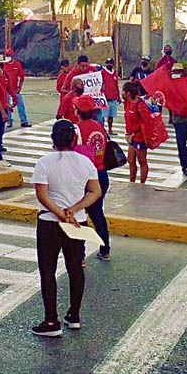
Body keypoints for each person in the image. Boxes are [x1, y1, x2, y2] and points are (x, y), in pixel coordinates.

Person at [30, 119, 102, 337]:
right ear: (74, 138)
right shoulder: (85, 162)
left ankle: (51, 320)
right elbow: (95, 191)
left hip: (50, 223)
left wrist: (61, 213)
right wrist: (74, 210)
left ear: (53, 139)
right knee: (75, 267)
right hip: (77, 223)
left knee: (48, 271)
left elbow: (42, 195)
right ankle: (74, 315)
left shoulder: (44, 162)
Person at [73, 96, 112, 261]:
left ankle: (79, 255)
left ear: (78, 111)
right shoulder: (99, 127)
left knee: (80, 215)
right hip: (101, 174)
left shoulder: (76, 129)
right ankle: (105, 250)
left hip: (85, 177)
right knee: (98, 214)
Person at [123, 82, 150, 184]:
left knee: (142, 161)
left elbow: (147, 121)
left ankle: (142, 183)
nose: (123, 94)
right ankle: (132, 181)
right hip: (131, 137)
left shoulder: (140, 104)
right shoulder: (128, 102)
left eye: (124, 92)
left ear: (128, 93)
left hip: (139, 137)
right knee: (131, 160)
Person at [3, 49, 31, 128]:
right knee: (7, 104)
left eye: (9, 56)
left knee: (20, 104)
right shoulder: (3, 65)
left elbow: (22, 77)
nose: (7, 57)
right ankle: (9, 121)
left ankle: (24, 121)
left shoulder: (17, 64)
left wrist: (19, 87)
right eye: (6, 55)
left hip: (15, 88)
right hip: (6, 89)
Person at [101, 57, 121, 135]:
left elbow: (116, 86)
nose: (109, 65)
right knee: (102, 116)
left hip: (113, 98)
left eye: (111, 63)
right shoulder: (102, 72)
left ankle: (110, 129)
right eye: (108, 63)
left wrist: (118, 97)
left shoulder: (114, 74)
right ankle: (102, 129)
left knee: (111, 116)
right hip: (105, 98)